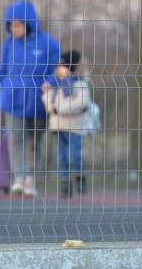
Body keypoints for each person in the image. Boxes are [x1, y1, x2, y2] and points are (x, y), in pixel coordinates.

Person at [0, 0, 60, 196]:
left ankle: (31, 178)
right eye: (11, 25)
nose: (14, 29)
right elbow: (0, 70)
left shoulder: (49, 44)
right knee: (15, 138)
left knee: (35, 140)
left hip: (38, 101)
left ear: (29, 23)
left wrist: (51, 82)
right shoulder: (8, 44)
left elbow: (57, 70)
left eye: (18, 24)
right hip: (12, 98)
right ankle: (18, 178)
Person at [41, 51, 92, 197]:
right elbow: (49, 101)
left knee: (73, 155)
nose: (59, 70)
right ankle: (66, 184)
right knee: (61, 157)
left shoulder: (79, 84)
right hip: (58, 126)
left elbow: (82, 102)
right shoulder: (55, 86)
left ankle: (80, 177)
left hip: (75, 127)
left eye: (63, 67)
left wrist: (59, 109)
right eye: (58, 67)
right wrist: (47, 95)